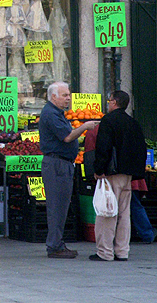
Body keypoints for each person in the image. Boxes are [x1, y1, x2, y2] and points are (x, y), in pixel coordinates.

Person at [38, 81, 99, 259]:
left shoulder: (57, 113)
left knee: (61, 205)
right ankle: (55, 246)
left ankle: (57, 243)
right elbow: (67, 137)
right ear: (53, 96)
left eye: (69, 95)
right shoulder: (51, 113)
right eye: (64, 95)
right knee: (57, 206)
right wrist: (84, 127)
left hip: (62, 163)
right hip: (57, 164)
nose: (68, 98)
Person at [89, 90, 147, 262]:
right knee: (124, 213)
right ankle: (122, 251)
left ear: (114, 102)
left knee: (107, 211)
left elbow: (103, 148)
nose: (108, 103)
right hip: (127, 175)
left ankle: (105, 252)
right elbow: (141, 149)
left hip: (111, 174)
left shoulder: (108, 121)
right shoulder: (133, 122)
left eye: (109, 100)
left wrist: (99, 169)